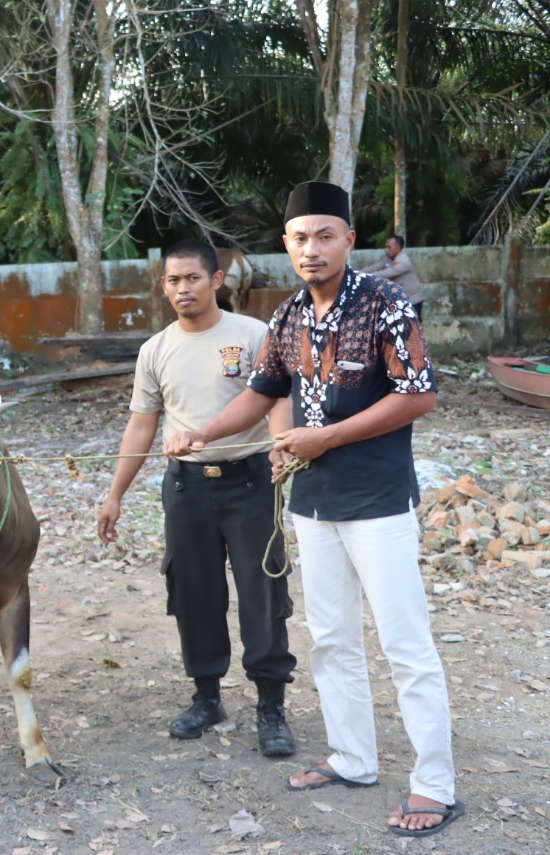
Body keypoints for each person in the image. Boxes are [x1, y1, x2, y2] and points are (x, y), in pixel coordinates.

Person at [164, 182, 461, 837]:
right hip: (312, 502)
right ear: (287, 245)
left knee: (405, 644)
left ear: (349, 240)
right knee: (330, 640)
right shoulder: (289, 316)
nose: (312, 248)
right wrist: (204, 432)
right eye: (300, 237)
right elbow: (262, 390)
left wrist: (323, 436)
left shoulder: (384, 301)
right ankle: (353, 757)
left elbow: (419, 395)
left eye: (325, 235)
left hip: (378, 501)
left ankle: (435, 784)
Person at [96, 240, 297, 757]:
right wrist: (115, 493)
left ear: (216, 280)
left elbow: (275, 398)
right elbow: (141, 425)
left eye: (192, 278)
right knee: (192, 592)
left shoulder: (254, 335)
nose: (183, 288)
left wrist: (280, 448)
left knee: (263, 592)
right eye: (173, 280)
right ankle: (207, 697)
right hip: (186, 487)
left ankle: (270, 706)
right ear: (164, 287)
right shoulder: (155, 350)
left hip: (252, 481)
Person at [359, 234, 424, 319]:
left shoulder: (403, 262)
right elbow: (374, 267)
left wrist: (361, 277)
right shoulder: (389, 259)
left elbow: (384, 274)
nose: (386, 250)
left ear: (398, 247)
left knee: (412, 330)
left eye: (389, 247)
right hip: (399, 301)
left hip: (412, 302)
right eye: (386, 247)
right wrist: (357, 273)